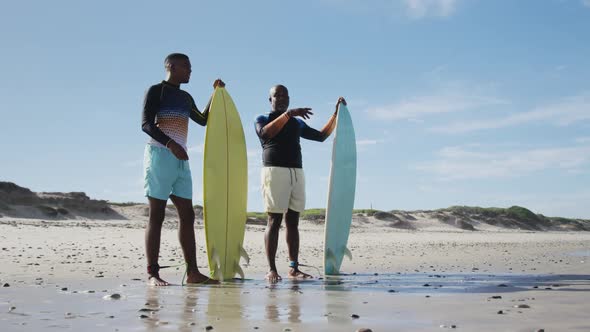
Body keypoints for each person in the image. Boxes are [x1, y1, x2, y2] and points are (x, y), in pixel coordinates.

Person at [141, 52, 223, 285]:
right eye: (186, 67)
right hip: (160, 154)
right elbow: (146, 124)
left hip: (180, 159)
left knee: (187, 215)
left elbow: (203, 119)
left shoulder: (186, 97)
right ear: (171, 66)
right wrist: (170, 144)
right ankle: (153, 274)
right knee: (156, 214)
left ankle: (192, 273)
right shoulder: (156, 91)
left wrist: (215, 94)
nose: (190, 71)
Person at [254, 84, 346, 282]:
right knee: (274, 220)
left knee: (293, 221)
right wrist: (288, 114)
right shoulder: (262, 119)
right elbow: (266, 134)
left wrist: (336, 114)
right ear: (269, 99)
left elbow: (321, 136)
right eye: (277, 95)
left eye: (285, 95)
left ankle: (293, 268)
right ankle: (271, 269)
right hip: (274, 171)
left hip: (297, 172)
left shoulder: (296, 123)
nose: (282, 98)